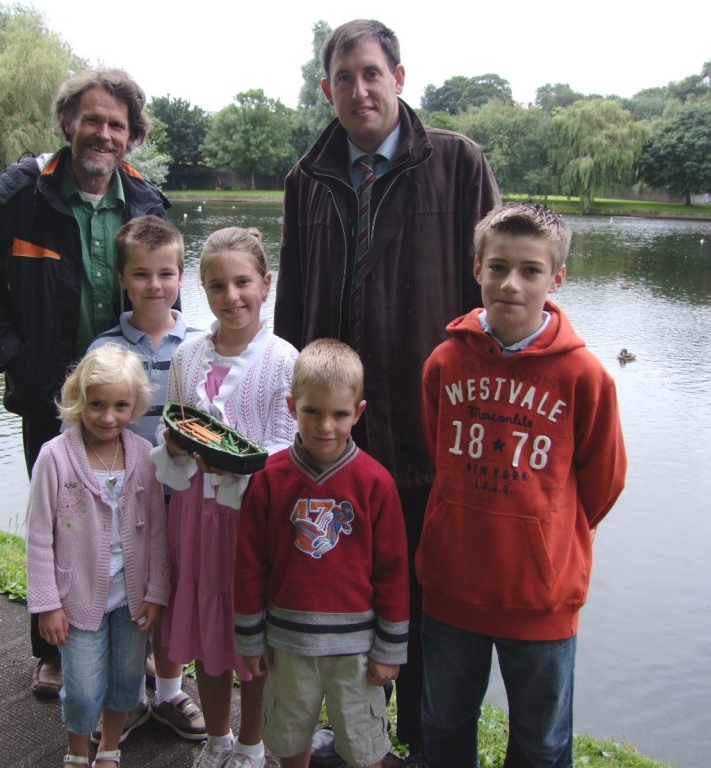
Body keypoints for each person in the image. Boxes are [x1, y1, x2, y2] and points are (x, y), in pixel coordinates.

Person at [273, 19, 500, 765]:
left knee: (425, 595)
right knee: (344, 581)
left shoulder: (458, 164)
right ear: (326, 88)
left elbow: (496, 288)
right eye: (345, 77)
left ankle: (427, 741)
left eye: (373, 73)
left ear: (399, 78)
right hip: (335, 433)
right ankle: (360, 730)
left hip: (430, 427)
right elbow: (292, 306)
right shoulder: (307, 178)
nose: (360, 89)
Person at [0, 68, 169, 702]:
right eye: (92, 120)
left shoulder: (146, 202)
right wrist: (16, 361)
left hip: (129, 397)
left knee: (136, 519)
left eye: (117, 124)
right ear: (68, 124)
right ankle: (51, 651)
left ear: (132, 136)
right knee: (57, 520)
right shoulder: (20, 195)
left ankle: (133, 640)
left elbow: (164, 283)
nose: (103, 133)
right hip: (49, 394)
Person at [417, 202, 628, 768]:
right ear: (476, 268)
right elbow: (438, 449)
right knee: (442, 727)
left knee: (541, 742)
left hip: (541, 597)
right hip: (452, 586)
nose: (511, 283)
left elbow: (603, 482)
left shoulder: (584, 376)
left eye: (531, 270)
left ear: (556, 278)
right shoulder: (444, 361)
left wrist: (544, 535)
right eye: (498, 267)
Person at [150, 227, 299, 768]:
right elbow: (175, 420)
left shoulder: (285, 360)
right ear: (202, 290)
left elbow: (289, 447)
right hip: (194, 516)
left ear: (266, 283)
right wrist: (175, 444)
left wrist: (239, 464)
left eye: (242, 282)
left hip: (251, 525)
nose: (231, 296)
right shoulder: (188, 355)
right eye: (217, 285)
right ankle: (217, 737)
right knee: (208, 631)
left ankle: (252, 744)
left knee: (249, 635)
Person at [234, 338, 409, 768]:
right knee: (291, 742)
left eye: (340, 414)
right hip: (288, 644)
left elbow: (393, 571)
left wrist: (390, 650)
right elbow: (250, 566)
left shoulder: (375, 483)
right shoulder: (269, 480)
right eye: (312, 411)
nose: (325, 425)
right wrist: (251, 638)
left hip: (358, 651)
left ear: (359, 413)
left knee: (364, 747)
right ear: (292, 407)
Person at [87, 215, 207, 742]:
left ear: (181, 277)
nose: (153, 286)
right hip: (126, 499)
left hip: (183, 496)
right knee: (131, 592)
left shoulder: (202, 344)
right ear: (122, 279)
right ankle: (128, 697)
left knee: (175, 590)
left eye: (165, 273)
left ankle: (168, 692)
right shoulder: (105, 349)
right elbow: (89, 428)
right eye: (140, 274)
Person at [26, 344, 170, 768]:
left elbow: (159, 532)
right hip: (77, 598)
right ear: (78, 400)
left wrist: (158, 591)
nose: (109, 417)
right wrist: (47, 604)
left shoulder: (144, 455)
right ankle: (75, 751)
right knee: (84, 685)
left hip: (131, 598)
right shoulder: (54, 458)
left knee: (126, 679)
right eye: (97, 405)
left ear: (136, 405)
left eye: (121, 405)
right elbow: (37, 537)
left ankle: (109, 747)